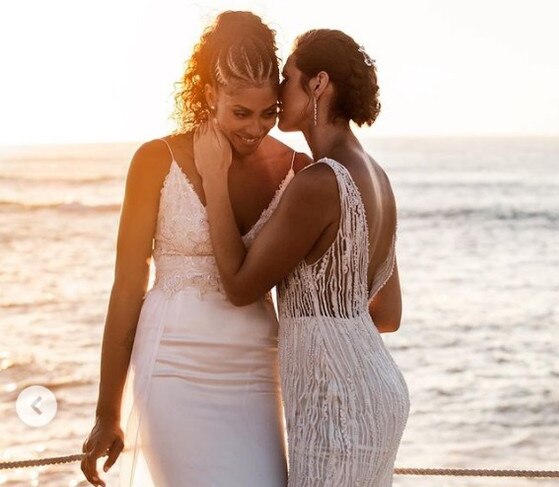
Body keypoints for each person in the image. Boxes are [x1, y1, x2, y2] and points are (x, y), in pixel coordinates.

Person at [80, 11, 310, 487]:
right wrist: (108, 412)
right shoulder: (155, 160)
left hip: (255, 368)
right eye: (240, 113)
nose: (255, 128)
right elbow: (127, 287)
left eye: (268, 113)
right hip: (171, 366)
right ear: (210, 95)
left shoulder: (297, 170)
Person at [194, 28, 409, 486]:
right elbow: (388, 314)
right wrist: (331, 319)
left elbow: (239, 285)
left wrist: (215, 178)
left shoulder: (319, 182)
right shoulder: (377, 176)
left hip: (337, 400)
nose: (278, 87)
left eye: (288, 77)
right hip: (377, 388)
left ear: (318, 84)